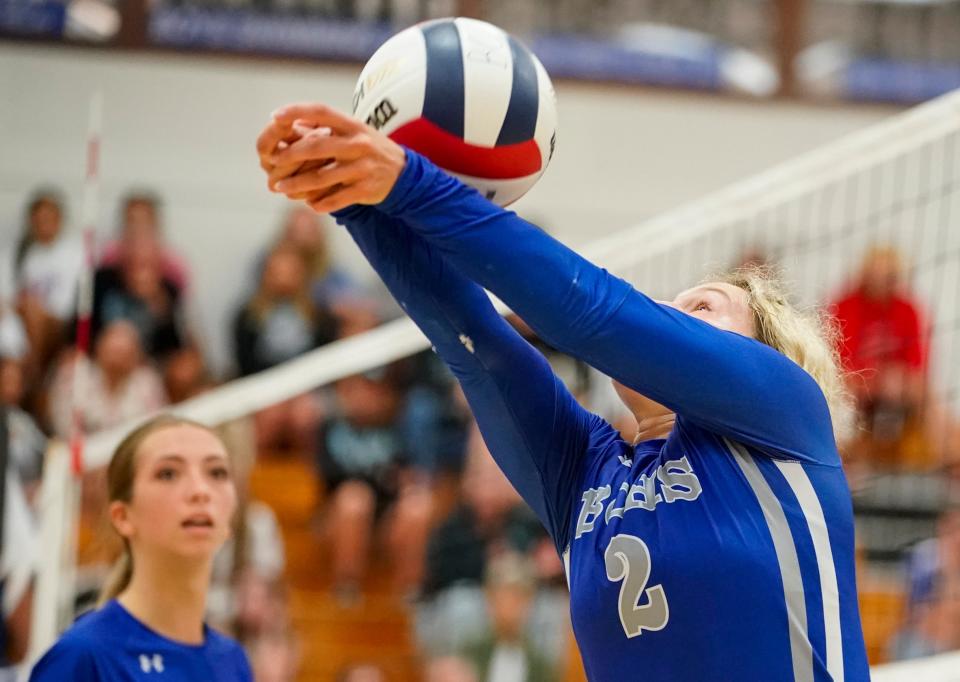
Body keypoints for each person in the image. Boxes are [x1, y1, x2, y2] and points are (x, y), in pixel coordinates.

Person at [257, 104, 870, 681]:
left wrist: (411, 181)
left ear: (761, 352)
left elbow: (589, 310)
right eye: (670, 303)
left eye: (702, 308)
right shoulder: (590, 480)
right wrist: (352, 196)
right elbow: (473, 343)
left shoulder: (782, 409)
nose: (665, 312)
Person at [29, 415, 253, 681]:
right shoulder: (84, 655)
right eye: (168, 473)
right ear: (122, 517)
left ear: (231, 518)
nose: (200, 491)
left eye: (217, 472)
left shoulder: (232, 660)